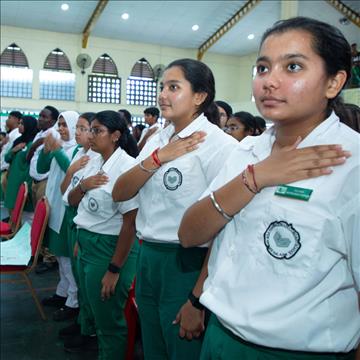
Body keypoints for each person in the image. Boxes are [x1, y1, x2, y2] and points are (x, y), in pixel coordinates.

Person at [178, 17, 359, 359]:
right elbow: (190, 234)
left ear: (334, 82)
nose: (269, 82)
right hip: (221, 336)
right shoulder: (247, 151)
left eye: (292, 66)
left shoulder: (352, 165)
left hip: (298, 351)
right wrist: (256, 177)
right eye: (262, 67)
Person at [112, 58, 238, 360]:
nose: (162, 95)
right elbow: (121, 191)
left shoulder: (220, 146)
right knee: (154, 347)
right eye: (161, 87)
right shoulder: (159, 137)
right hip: (149, 256)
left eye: (173, 87)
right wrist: (158, 157)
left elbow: (227, 230)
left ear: (199, 96)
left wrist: (196, 299)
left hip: (188, 263)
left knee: (181, 349)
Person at [68, 110, 139, 360]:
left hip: (109, 247)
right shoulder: (94, 160)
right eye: (91, 130)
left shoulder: (127, 168)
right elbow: (73, 201)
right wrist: (84, 186)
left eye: (97, 131)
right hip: (87, 242)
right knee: (95, 310)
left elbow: (130, 225)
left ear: (116, 136)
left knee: (109, 321)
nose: (90, 136)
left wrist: (114, 269)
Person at [59, 112, 99, 352]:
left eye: (83, 128)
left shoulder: (96, 157)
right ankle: (83, 321)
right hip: (71, 217)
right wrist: (71, 170)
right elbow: (65, 190)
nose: (78, 133)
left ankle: (90, 329)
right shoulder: (77, 154)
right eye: (80, 128)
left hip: (83, 220)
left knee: (86, 281)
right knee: (78, 276)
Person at [39, 111, 80, 322]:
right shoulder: (61, 147)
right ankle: (62, 292)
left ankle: (73, 301)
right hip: (53, 209)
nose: (61, 128)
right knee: (60, 257)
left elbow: (71, 173)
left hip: (66, 211)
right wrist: (47, 151)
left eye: (65, 125)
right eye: (60, 124)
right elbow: (40, 169)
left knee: (66, 260)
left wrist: (55, 152)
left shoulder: (79, 150)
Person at [27, 105, 60, 274]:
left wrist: (34, 147)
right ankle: (38, 252)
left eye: (44, 116)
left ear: (53, 120)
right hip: (36, 181)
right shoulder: (40, 134)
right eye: (39, 115)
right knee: (38, 218)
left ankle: (49, 257)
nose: (40, 118)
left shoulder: (53, 134)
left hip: (45, 181)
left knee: (46, 219)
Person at [4, 116, 38, 213]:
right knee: (12, 211)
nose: (19, 126)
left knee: (22, 213)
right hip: (13, 181)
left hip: (23, 182)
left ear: (29, 126)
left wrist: (27, 187)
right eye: (19, 123)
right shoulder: (18, 141)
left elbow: (30, 166)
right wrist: (14, 150)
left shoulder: (33, 144)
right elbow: (7, 158)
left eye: (22, 124)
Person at [0, 111, 21, 199]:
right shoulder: (11, 133)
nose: (7, 121)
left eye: (9, 118)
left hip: (7, 171)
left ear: (16, 120)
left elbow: (13, 154)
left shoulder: (17, 134)